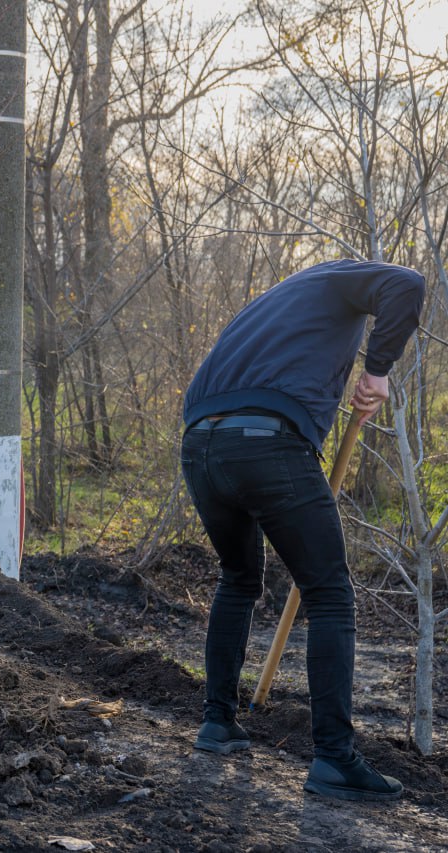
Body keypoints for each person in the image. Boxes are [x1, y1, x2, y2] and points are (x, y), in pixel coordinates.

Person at [181, 258, 424, 802]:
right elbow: (407, 282)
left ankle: (217, 723)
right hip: (267, 442)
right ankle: (335, 759)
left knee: (237, 579)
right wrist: (377, 371)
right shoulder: (339, 281)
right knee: (330, 594)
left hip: (200, 445)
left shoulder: (277, 305)